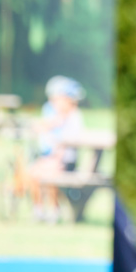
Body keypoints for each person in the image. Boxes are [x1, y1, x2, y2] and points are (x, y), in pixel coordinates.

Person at [31, 75, 86, 223]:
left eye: (57, 99)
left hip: (66, 160)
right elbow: (46, 126)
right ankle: (38, 210)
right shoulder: (58, 115)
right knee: (35, 172)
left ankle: (54, 210)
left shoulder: (74, 116)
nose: (53, 103)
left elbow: (68, 143)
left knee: (50, 173)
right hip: (54, 157)